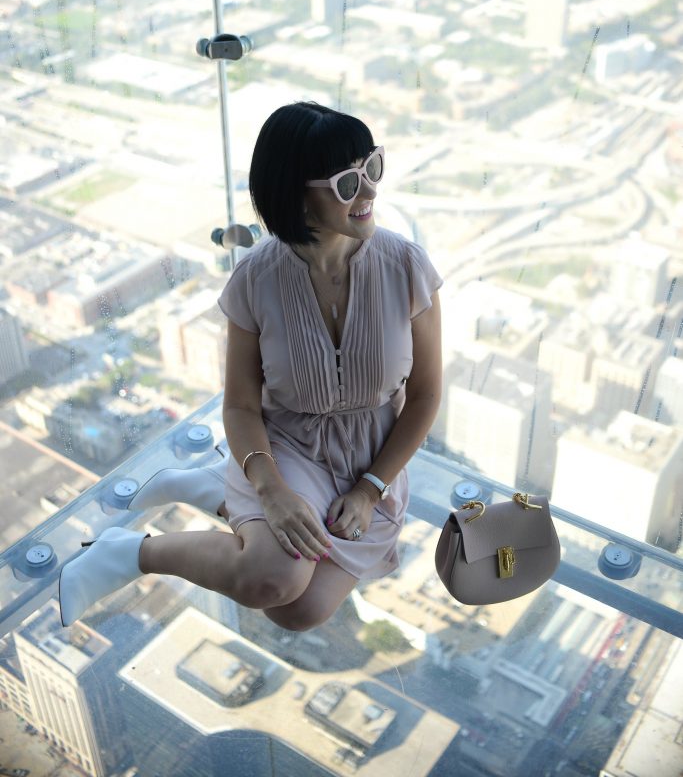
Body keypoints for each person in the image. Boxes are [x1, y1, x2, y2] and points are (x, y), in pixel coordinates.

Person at [59, 102, 442, 631]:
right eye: (347, 182)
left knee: (297, 611)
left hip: (371, 456)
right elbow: (240, 405)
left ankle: (218, 490)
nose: (371, 191)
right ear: (294, 193)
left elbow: (424, 395)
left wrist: (370, 487)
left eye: (372, 167)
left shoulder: (408, 267)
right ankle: (127, 554)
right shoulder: (255, 280)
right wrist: (271, 488)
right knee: (271, 579)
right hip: (284, 443)